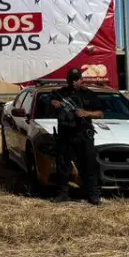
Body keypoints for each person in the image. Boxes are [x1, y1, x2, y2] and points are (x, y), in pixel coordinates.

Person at [47, 68, 104, 205]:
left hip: (83, 135)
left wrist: (86, 113)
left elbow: (100, 114)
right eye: (71, 79)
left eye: (76, 79)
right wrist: (52, 104)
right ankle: (62, 194)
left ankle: (92, 195)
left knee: (89, 165)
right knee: (62, 165)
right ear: (67, 80)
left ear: (81, 79)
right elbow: (48, 108)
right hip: (65, 134)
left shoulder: (88, 94)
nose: (73, 82)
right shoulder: (59, 94)